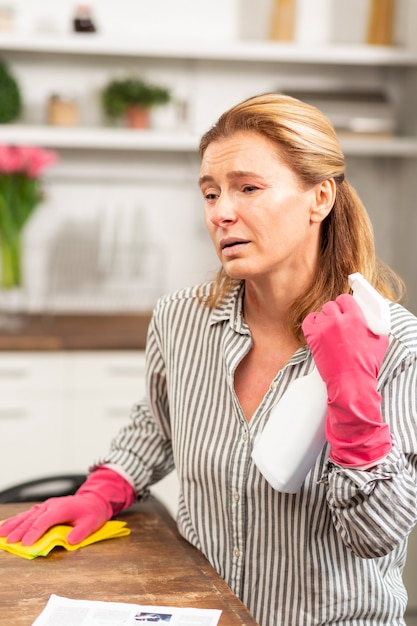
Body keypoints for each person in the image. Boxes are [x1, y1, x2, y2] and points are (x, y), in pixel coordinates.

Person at [1, 93, 417, 626]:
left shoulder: (391, 339)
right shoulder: (182, 319)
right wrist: (108, 487)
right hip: (209, 614)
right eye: (210, 192)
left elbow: (377, 535)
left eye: (248, 188)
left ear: (320, 198)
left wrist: (352, 391)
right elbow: (158, 424)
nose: (222, 212)